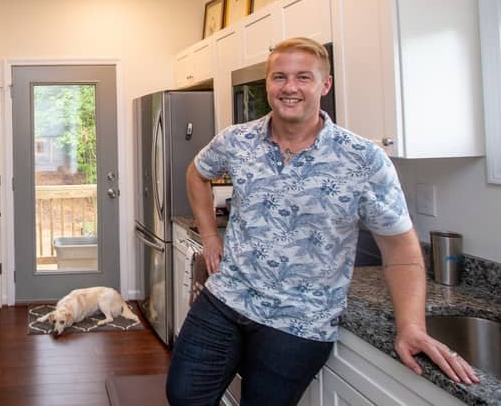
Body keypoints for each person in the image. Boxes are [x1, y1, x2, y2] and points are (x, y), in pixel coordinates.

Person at [166, 37, 479, 406]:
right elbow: (196, 173)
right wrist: (209, 235)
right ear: (268, 84)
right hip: (227, 298)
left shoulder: (363, 159)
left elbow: (402, 250)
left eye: (303, 77)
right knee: (183, 395)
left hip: (300, 322)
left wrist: (411, 326)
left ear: (324, 85)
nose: (290, 87)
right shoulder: (237, 141)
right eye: (279, 77)